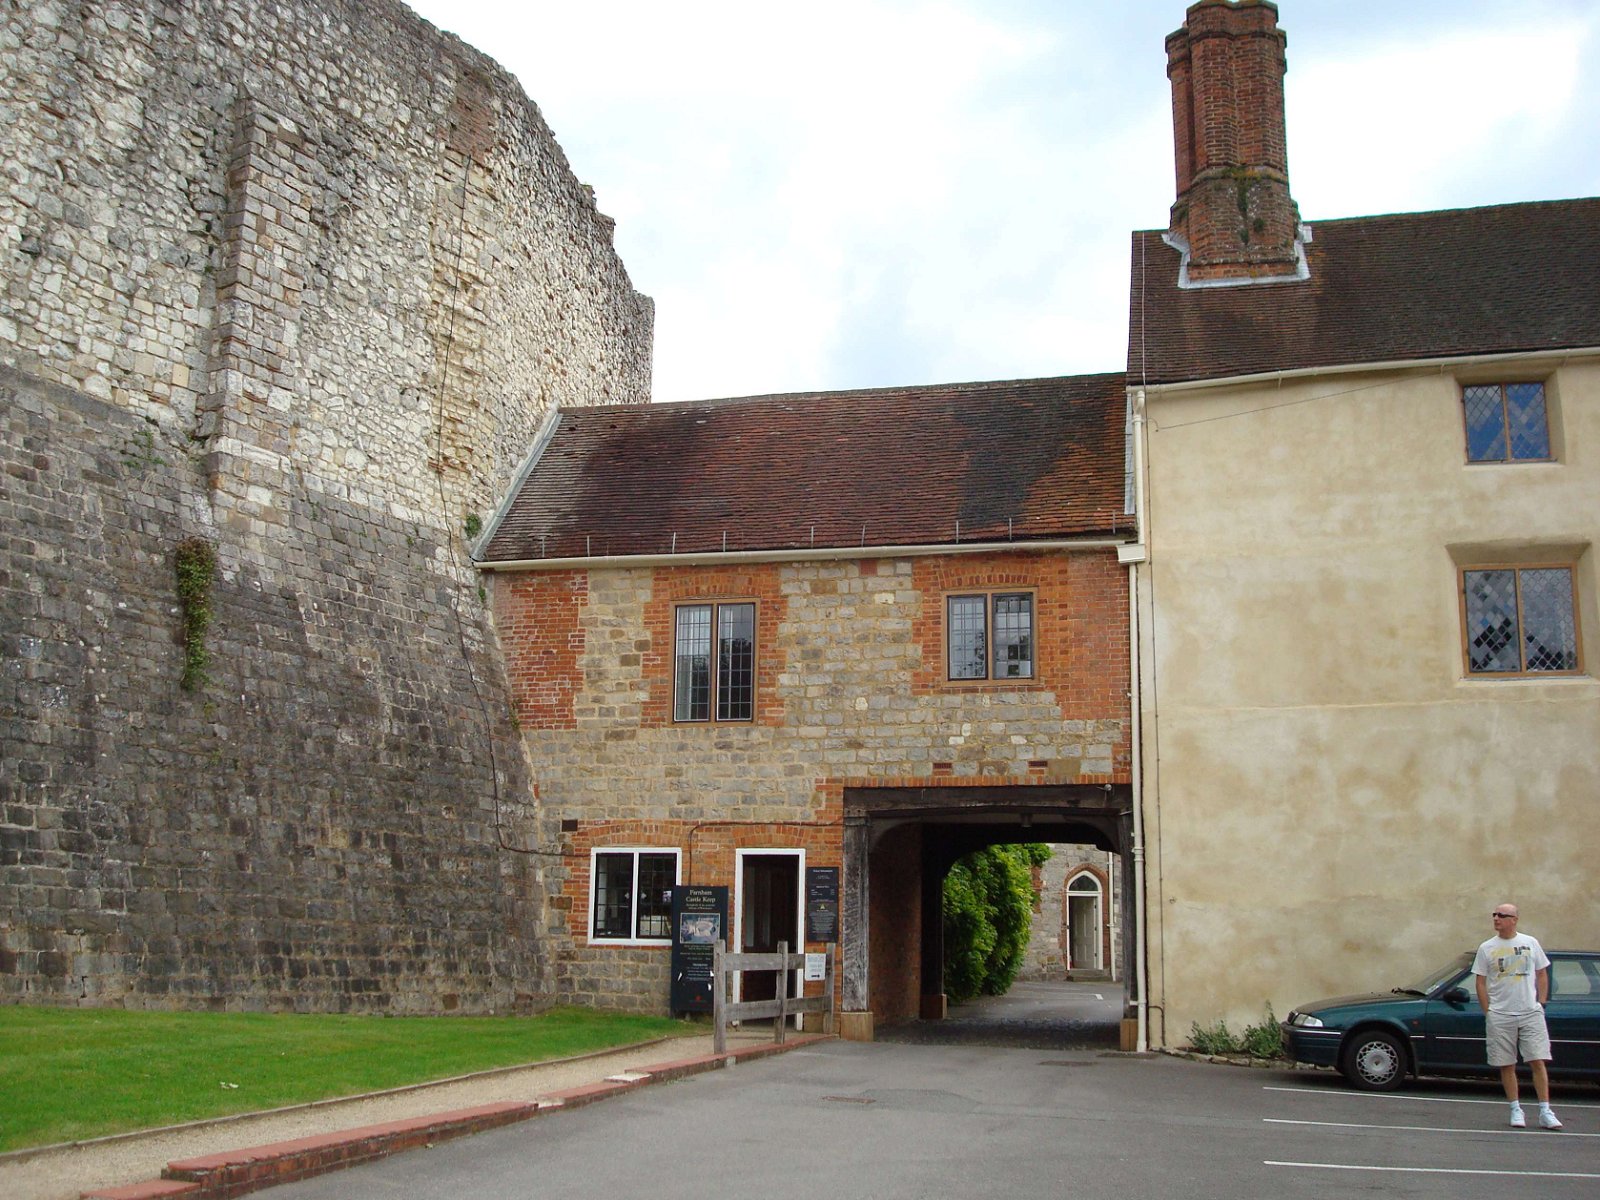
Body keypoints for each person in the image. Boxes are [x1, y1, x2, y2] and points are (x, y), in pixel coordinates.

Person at [1473, 904, 1561, 1129]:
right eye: (1494, 914)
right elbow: (1480, 981)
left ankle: (1545, 1110)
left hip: (1529, 1011)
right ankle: (1515, 1108)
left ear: (1514, 919)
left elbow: (1542, 973)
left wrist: (1540, 1003)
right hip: (1501, 1013)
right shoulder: (1487, 948)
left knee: (1537, 1059)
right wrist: (1488, 1011)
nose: (1496, 919)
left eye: (1502, 915)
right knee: (1506, 1063)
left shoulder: (1530, 943)